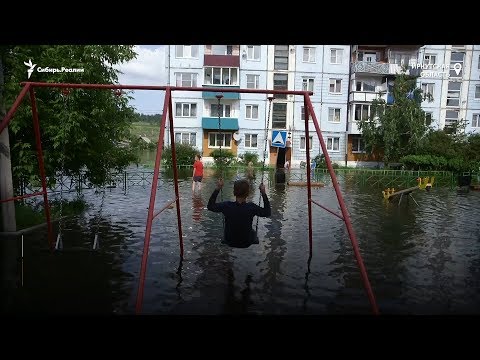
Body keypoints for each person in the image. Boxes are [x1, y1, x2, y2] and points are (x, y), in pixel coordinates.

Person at [207, 178, 271, 248]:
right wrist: (263, 193)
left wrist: (218, 188)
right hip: (246, 242)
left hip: (230, 241)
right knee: (253, 231)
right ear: (248, 193)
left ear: (234, 192)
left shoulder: (226, 206)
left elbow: (210, 206)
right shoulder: (252, 207)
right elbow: (267, 213)